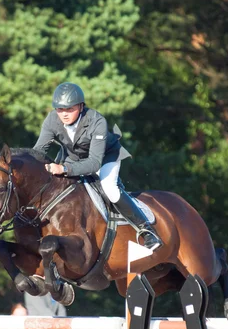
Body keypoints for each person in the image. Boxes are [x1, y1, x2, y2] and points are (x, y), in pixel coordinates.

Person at [33, 82, 162, 251]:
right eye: (60, 109)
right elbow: (38, 152)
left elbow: (94, 162)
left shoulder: (96, 121)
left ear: (80, 106)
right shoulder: (51, 120)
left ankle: (146, 230)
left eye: (69, 109)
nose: (64, 114)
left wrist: (64, 169)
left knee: (110, 189)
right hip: (73, 157)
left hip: (105, 157)